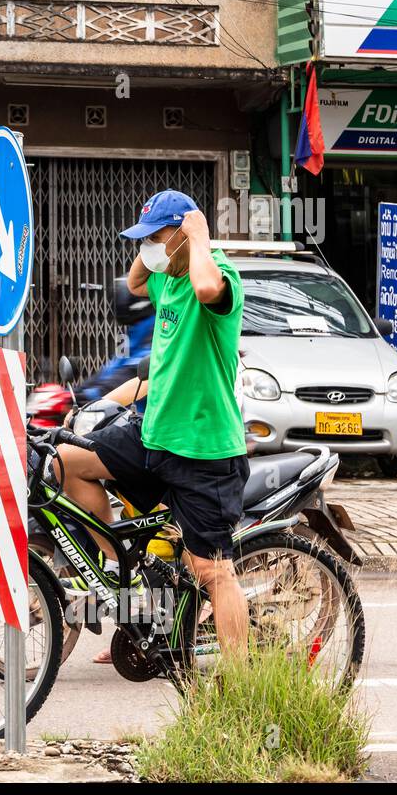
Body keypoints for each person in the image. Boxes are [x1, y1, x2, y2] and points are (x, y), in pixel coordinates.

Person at [58, 190, 250, 660]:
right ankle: (119, 569)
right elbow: (136, 278)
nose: (149, 249)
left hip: (204, 451)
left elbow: (207, 289)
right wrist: (152, 242)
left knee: (212, 571)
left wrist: (199, 235)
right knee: (66, 463)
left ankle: (245, 686)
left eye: (158, 238)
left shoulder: (219, 279)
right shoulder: (168, 277)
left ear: (186, 236)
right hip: (152, 434)